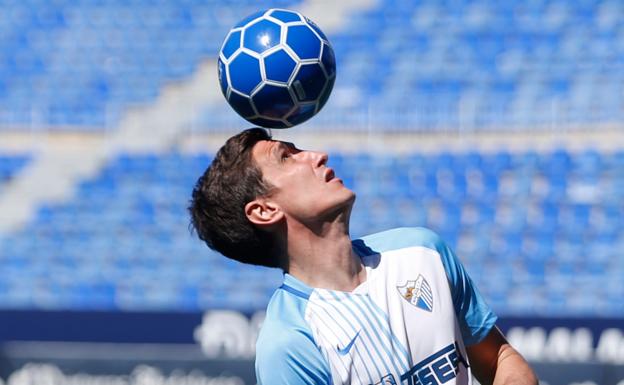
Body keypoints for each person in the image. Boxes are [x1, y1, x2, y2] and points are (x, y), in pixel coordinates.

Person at [189, 127, 537, 385]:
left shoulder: (422, 250)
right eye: (287, 157)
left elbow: (499, 359)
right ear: (264, 211)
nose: (317, 154)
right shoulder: (290, 344)